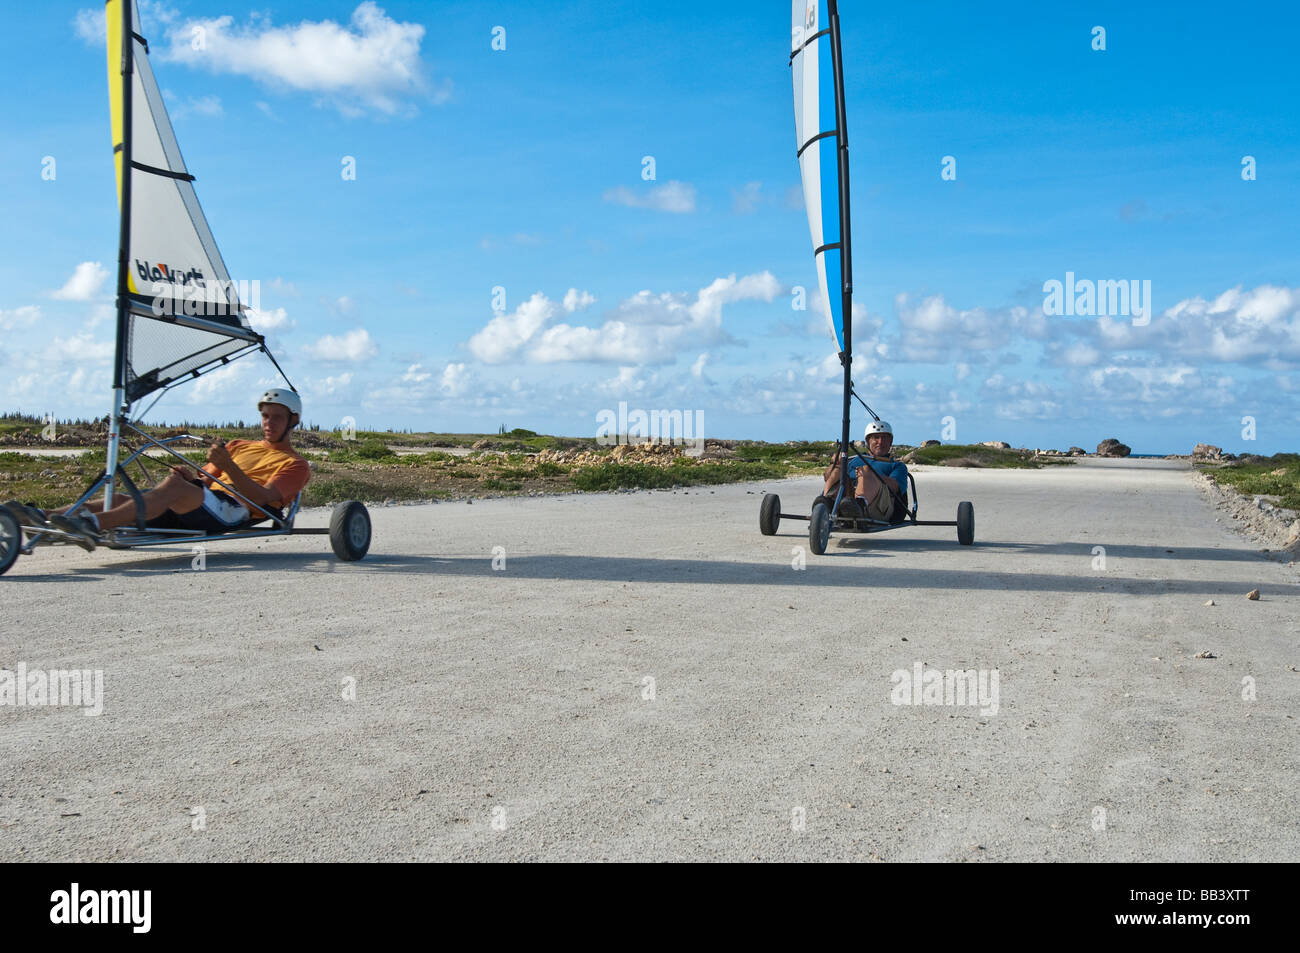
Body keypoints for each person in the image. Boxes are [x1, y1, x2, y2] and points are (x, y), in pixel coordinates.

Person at [6, 390, 311, 551]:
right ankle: (42, 518)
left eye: (277, 418)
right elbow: (202, 480)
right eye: (265, 416)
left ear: (293, 421)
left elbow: (262, 498)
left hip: (235, 510)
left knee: (170, 490)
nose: (269, 423)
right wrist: (190, 476)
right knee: (129, 498)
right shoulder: (239, 444)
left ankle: (92, 525)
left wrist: (227, 467)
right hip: (204, 501)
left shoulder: (295, 465)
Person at [816, 420, 909, 522]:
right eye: (876, 438)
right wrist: (834, 464)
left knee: (866, 470)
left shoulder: (897, 465)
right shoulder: (855, 459)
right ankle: (825, 503)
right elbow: (827, 476)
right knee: (838, 470)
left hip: (878, 506)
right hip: (846, 499)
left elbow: (895, 486)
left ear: (890, 442)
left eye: (885, 438)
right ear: (868, 441)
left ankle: (859, 506)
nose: (880, 442)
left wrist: (869, 476)